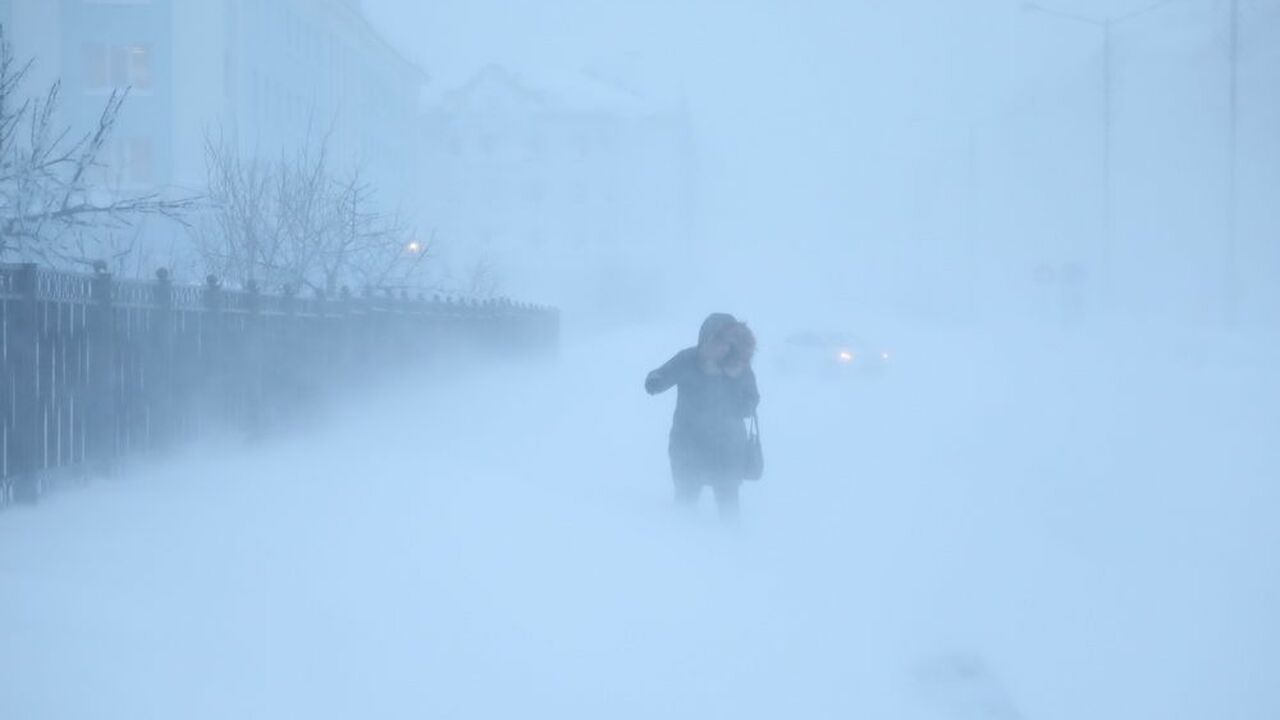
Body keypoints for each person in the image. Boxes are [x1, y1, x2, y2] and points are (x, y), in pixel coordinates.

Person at [645, 313, 759, 522]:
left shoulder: (739, 367)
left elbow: (751, 400)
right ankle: (680, 547)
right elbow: (661, 376)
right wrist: (655, 381)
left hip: (728, 450)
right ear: (705, 340)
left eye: (728, 343)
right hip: (688, 446)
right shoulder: (688, 360)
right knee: (685, 504)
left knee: (728, 508)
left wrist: (742, 402)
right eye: (718, 341)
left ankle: (732, 549)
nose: (723, 348)